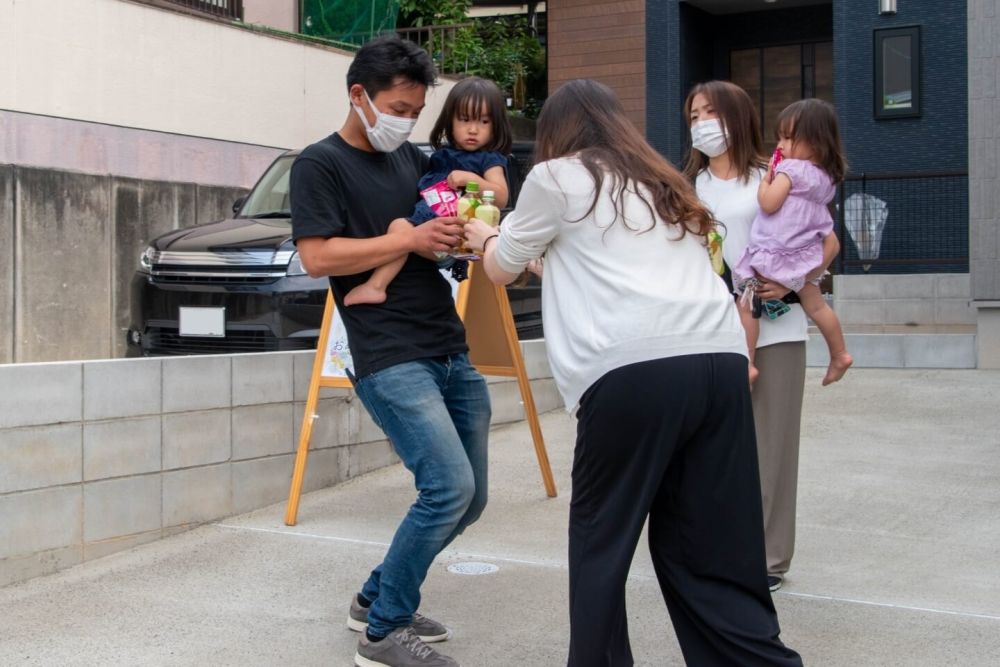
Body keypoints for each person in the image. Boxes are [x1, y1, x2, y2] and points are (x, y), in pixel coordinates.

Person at [465, 79, 802, 667]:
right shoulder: (664, 181)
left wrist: (485, 234)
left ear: (556, 132)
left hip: (631, 372)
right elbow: (604, 266)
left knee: (602, 541)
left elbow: (500, 268)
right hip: (717, 361)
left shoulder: (555, 177)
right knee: (709, 544)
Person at [290, 36, 490, 667]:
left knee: (472, 494)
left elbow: (422, 238)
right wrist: (398, 238)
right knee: (446, 484)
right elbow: (317, 256)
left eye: (414, 108)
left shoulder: (412, 158)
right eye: (398, 106)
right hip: (387, 350)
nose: (405, 119)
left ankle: (375, 595)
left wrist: (443, 240)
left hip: (447, 342)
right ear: (360, 96)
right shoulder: (318, 165)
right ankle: (384, 630)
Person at [684, 80, 839, 591]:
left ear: (738, 117)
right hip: (708, 331)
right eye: (693, 114)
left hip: (776, 328)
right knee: (710, 448)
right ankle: (717, 547)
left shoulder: (773, 177)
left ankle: (768, 560)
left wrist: (793, 280)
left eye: (710, 111)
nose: (701, 122)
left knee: (770, 448)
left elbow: (828, 240)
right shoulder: (686, 186)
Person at [344, 76, 512, 306]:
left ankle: (376, 285)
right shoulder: (442, 156)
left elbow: (501, 196)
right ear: (450, 121)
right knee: (402, 230)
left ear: (496, 125)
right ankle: (378, 284)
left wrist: (472, 180)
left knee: (400, 228)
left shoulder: (489, 159)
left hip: (456, 232)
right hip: (432, 228)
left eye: (484, 121)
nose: (473, 129)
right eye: (464, 120)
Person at [731, 98, 853, 386]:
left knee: (746, 303)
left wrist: (765, 182)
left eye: (788, 137)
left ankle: (748, 362)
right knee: (818, 306)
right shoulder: (826, 178)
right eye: (780, 138)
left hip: (774, 253)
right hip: (802, 257)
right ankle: (840, 353)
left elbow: (769, 203)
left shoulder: (792, 170)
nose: (781, 146)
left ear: (814, 141)